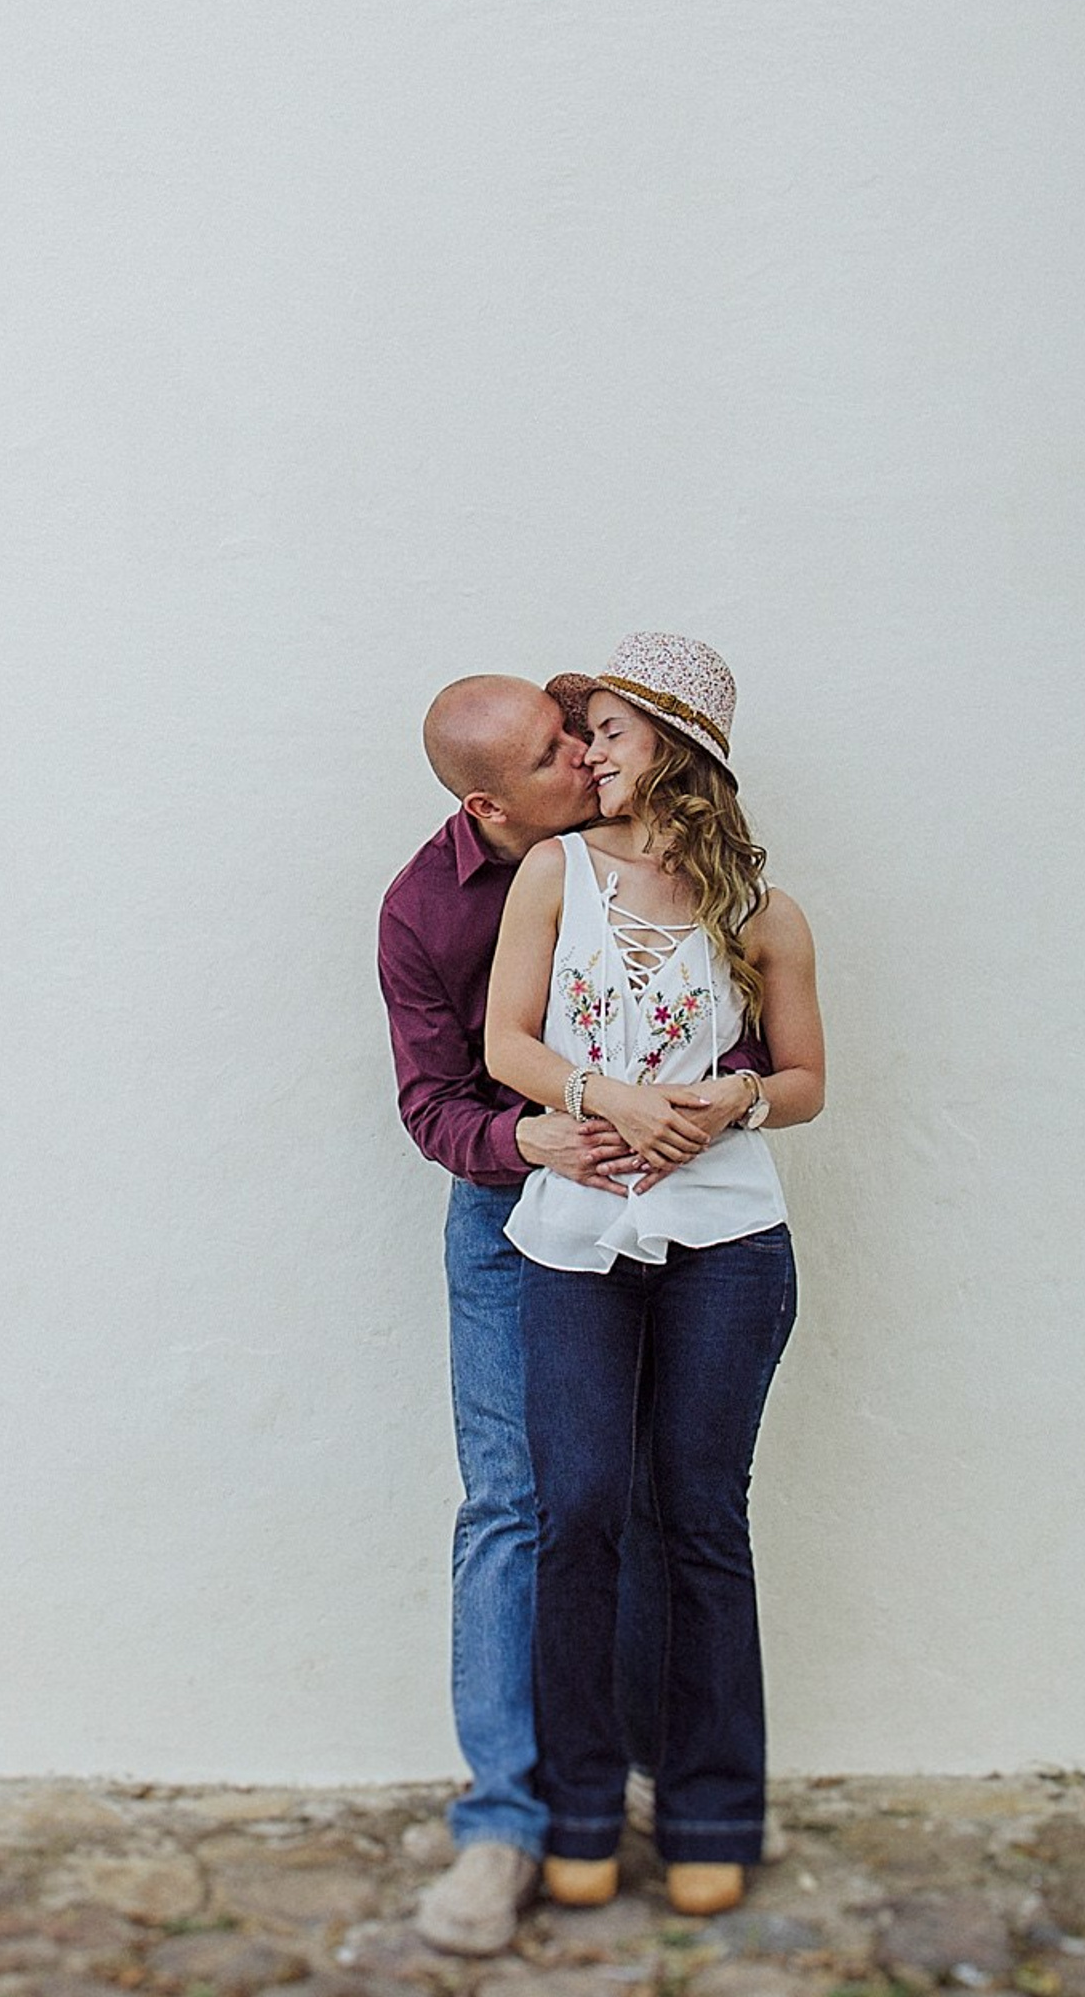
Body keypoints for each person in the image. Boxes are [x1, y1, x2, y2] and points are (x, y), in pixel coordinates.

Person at [376, 672, 767, 1956]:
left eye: (583, 735)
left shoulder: (653, 852)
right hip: (512, 1217)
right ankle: (503, 1820)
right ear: (490, 804)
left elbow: (728, 1010)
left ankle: (645, 1787)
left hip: (669, 1202)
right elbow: (433, 1102)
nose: (586, 760)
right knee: (517, 1500)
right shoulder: (425, 909)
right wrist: (532, 1137)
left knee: (653, 1494)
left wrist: (721, 1097)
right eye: (557, 754)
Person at [484, 634, 825, 1921]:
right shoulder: (554, 874)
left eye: (611, 733)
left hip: (727, 1247)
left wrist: (733, 1101)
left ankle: (710, 1811)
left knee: (699, 1520)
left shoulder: (765, 912)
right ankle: (580, 1808)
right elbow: (505, 1044)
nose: (589, 755)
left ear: (675, 748)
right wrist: (609, 1095)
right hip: (574, 1242)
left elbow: (805, 1081)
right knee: (577, 1513)